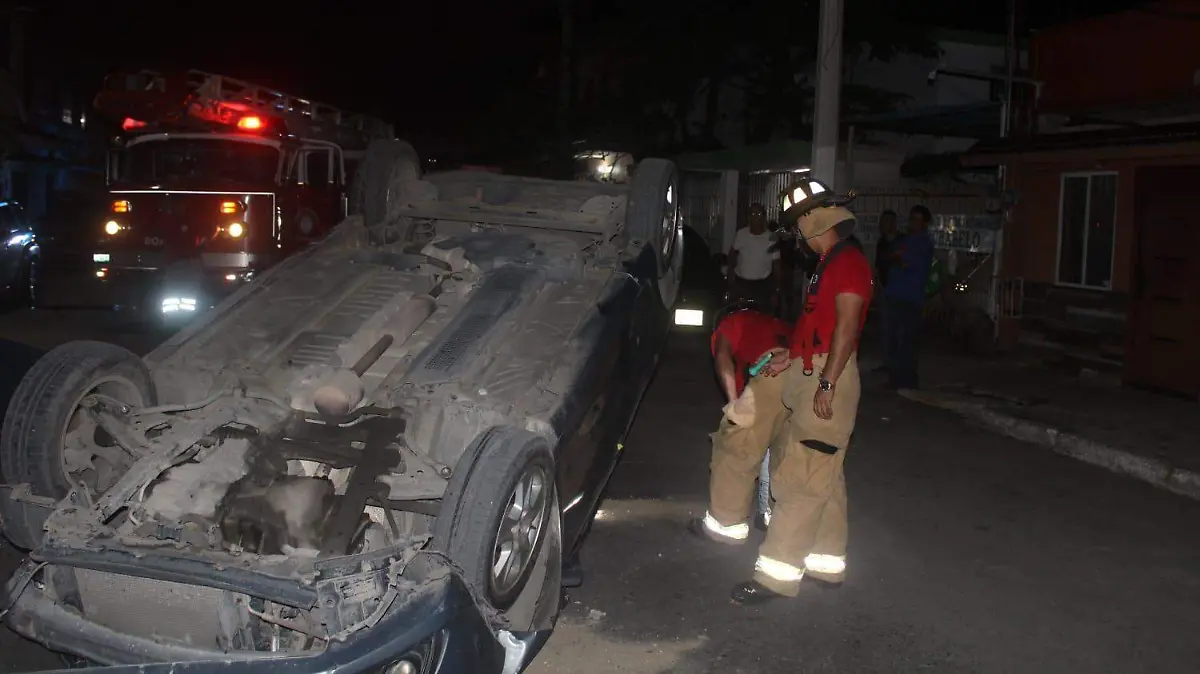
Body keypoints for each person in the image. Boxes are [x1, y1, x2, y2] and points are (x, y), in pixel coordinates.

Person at [695, 175, 873, 606]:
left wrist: (827, 383)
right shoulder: (827, 264)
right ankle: (827, 563)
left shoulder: (847, 262)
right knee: (820, 473)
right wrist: (788, 357)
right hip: (806, 369)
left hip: (827, 376)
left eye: (797, 224)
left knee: (802, 475)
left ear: (815, 220)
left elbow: (846, 329)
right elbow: (814, 327)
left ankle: (777, 576)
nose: (795, 235)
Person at [695, 299, 792, 537]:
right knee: (785, 451)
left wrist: (733, 406)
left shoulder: (732, 322)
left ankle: (725, 525)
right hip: (802, 373)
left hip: (771, 368)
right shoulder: (778, 324)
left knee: (736, 450)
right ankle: (773, 516)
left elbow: (723, 357)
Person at [882, 205, 934, 390]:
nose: (913, 223)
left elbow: (903, 262)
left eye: (918, 220)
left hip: (910, 298)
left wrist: (898, 257)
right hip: (895, 294)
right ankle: (896, 379)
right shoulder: (904, 240)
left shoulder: (924, 243)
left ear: (925, 223)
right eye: (912, 218)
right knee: (893, 340)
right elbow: (890, 257)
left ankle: (908, 381)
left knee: (907, 342)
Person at [727, 203, 782, 308]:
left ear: (764, 217)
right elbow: (732, 255)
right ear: (748, 217)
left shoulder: (771, 237)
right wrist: (730, 278)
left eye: (759, 214)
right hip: (742, 284)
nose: (755, 216)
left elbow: (777, 264)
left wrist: (776, 289)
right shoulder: (741, 234)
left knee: (760, 318)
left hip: (762, 286)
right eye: (752, 213)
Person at [873, 210, 899, 373]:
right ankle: (888, 361)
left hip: (898, 290)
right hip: (884, 288)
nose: (883, 226)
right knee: (885, 327)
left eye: (886, 222)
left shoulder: (901, 242)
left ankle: (896, 363)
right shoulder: (882, 243)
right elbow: (877, 266)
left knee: (897, 328)